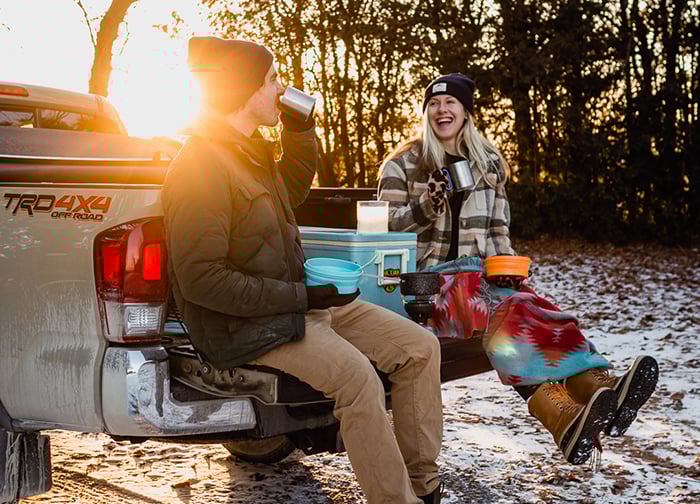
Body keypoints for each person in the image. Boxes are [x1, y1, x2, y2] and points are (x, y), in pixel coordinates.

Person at [162, 36, 444, 504]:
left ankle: (424, 487)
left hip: (297, 304)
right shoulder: (201, 167)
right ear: (246, 88)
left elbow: (292, 186)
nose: (281, 89)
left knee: (419, 348)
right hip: (250, 325)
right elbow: (202, 279)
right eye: (273, 80)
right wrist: (300, 299)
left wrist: (299, 130)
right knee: (358, 379)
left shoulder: (247, 152)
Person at [377, 72, 659, 465]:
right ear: (426, 113)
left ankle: (587, 394)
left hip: (482, 279)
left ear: (466, 112)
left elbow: (497, 229)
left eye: (450, 103)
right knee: (512, 313)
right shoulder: (403, 162)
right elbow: (383, 228)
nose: (442, 110)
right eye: (434, 104)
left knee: (531, 304)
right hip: (429, 289)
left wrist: (511, 274)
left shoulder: (488, 162)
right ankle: (574, 399)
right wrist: (428, 205)